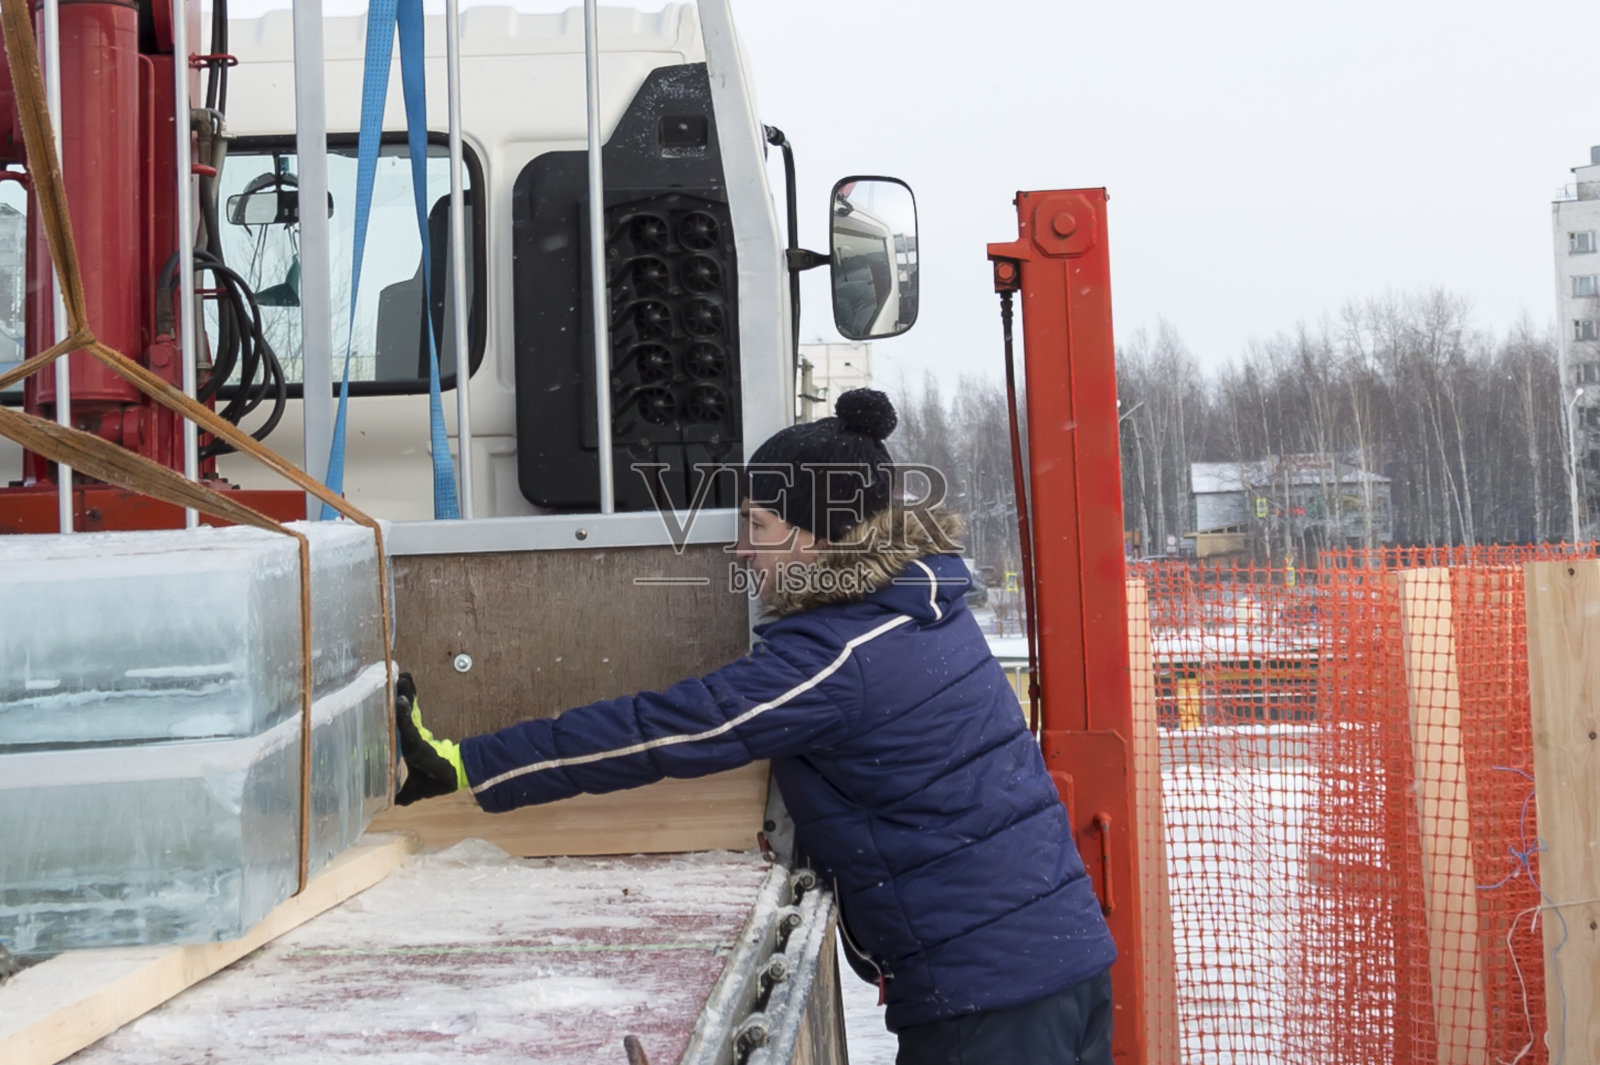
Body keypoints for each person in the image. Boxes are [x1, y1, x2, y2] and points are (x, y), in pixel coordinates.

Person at [394, 388, 1117, 1065]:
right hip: (1059, 967)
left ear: (815, 535)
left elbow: (664, 732)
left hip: (993, 1001)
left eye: (756, 524)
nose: (741, 548)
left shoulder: (841, 655)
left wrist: (469, 763)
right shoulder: (918, 607)